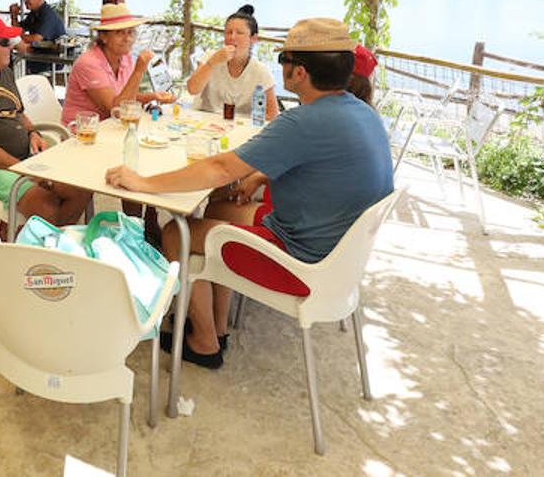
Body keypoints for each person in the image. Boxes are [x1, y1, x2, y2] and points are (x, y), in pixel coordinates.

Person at [105, 18, 394, 369]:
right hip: (336, 255)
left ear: (299, 72)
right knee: (220, 206)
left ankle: (205, 342)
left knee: (175, 231)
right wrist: (260, 176)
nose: (281, 66)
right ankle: (219, 323)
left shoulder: (304, 121)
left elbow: (221, 169)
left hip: (299, 261)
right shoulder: (362, 112)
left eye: (284, 59)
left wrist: (144, 183)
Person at [0, 12, 92, 226]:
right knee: (49, 208)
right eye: (5, 42)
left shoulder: (4, 73)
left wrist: (32, 132)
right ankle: (41, 245)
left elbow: (18, 113)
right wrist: (23, 170)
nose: (12, 46)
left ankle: (39, 241)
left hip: (22, 159)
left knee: (82, 187)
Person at [62, 3, 174, 124]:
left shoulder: (126, 58)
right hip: (80, 132)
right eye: (120, 33)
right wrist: (139, 70)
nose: (127, 39)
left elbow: (127, 97)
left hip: (109, 127)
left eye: (130, 32)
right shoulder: (88, 63)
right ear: (104, 37)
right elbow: (116, 110)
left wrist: (154, 96)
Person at [185, 4, 279, 121]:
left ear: (253, 39)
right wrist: (212, 62)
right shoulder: (210, 57)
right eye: (229, 32)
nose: (232, 37)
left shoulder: (260, 71)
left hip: (240, 129)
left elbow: (272, 114)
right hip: (205, 122)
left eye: (239, 33)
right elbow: (192, 89)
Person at [8, 0, 66, 73]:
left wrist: (17, 38)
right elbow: (18, 30)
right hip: (38, 53)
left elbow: (36, 38)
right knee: (8, 59)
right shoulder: (34, 13)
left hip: (52, 58)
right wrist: (14, 16)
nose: (25, 0)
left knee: (11, 61)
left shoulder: (47, 14)